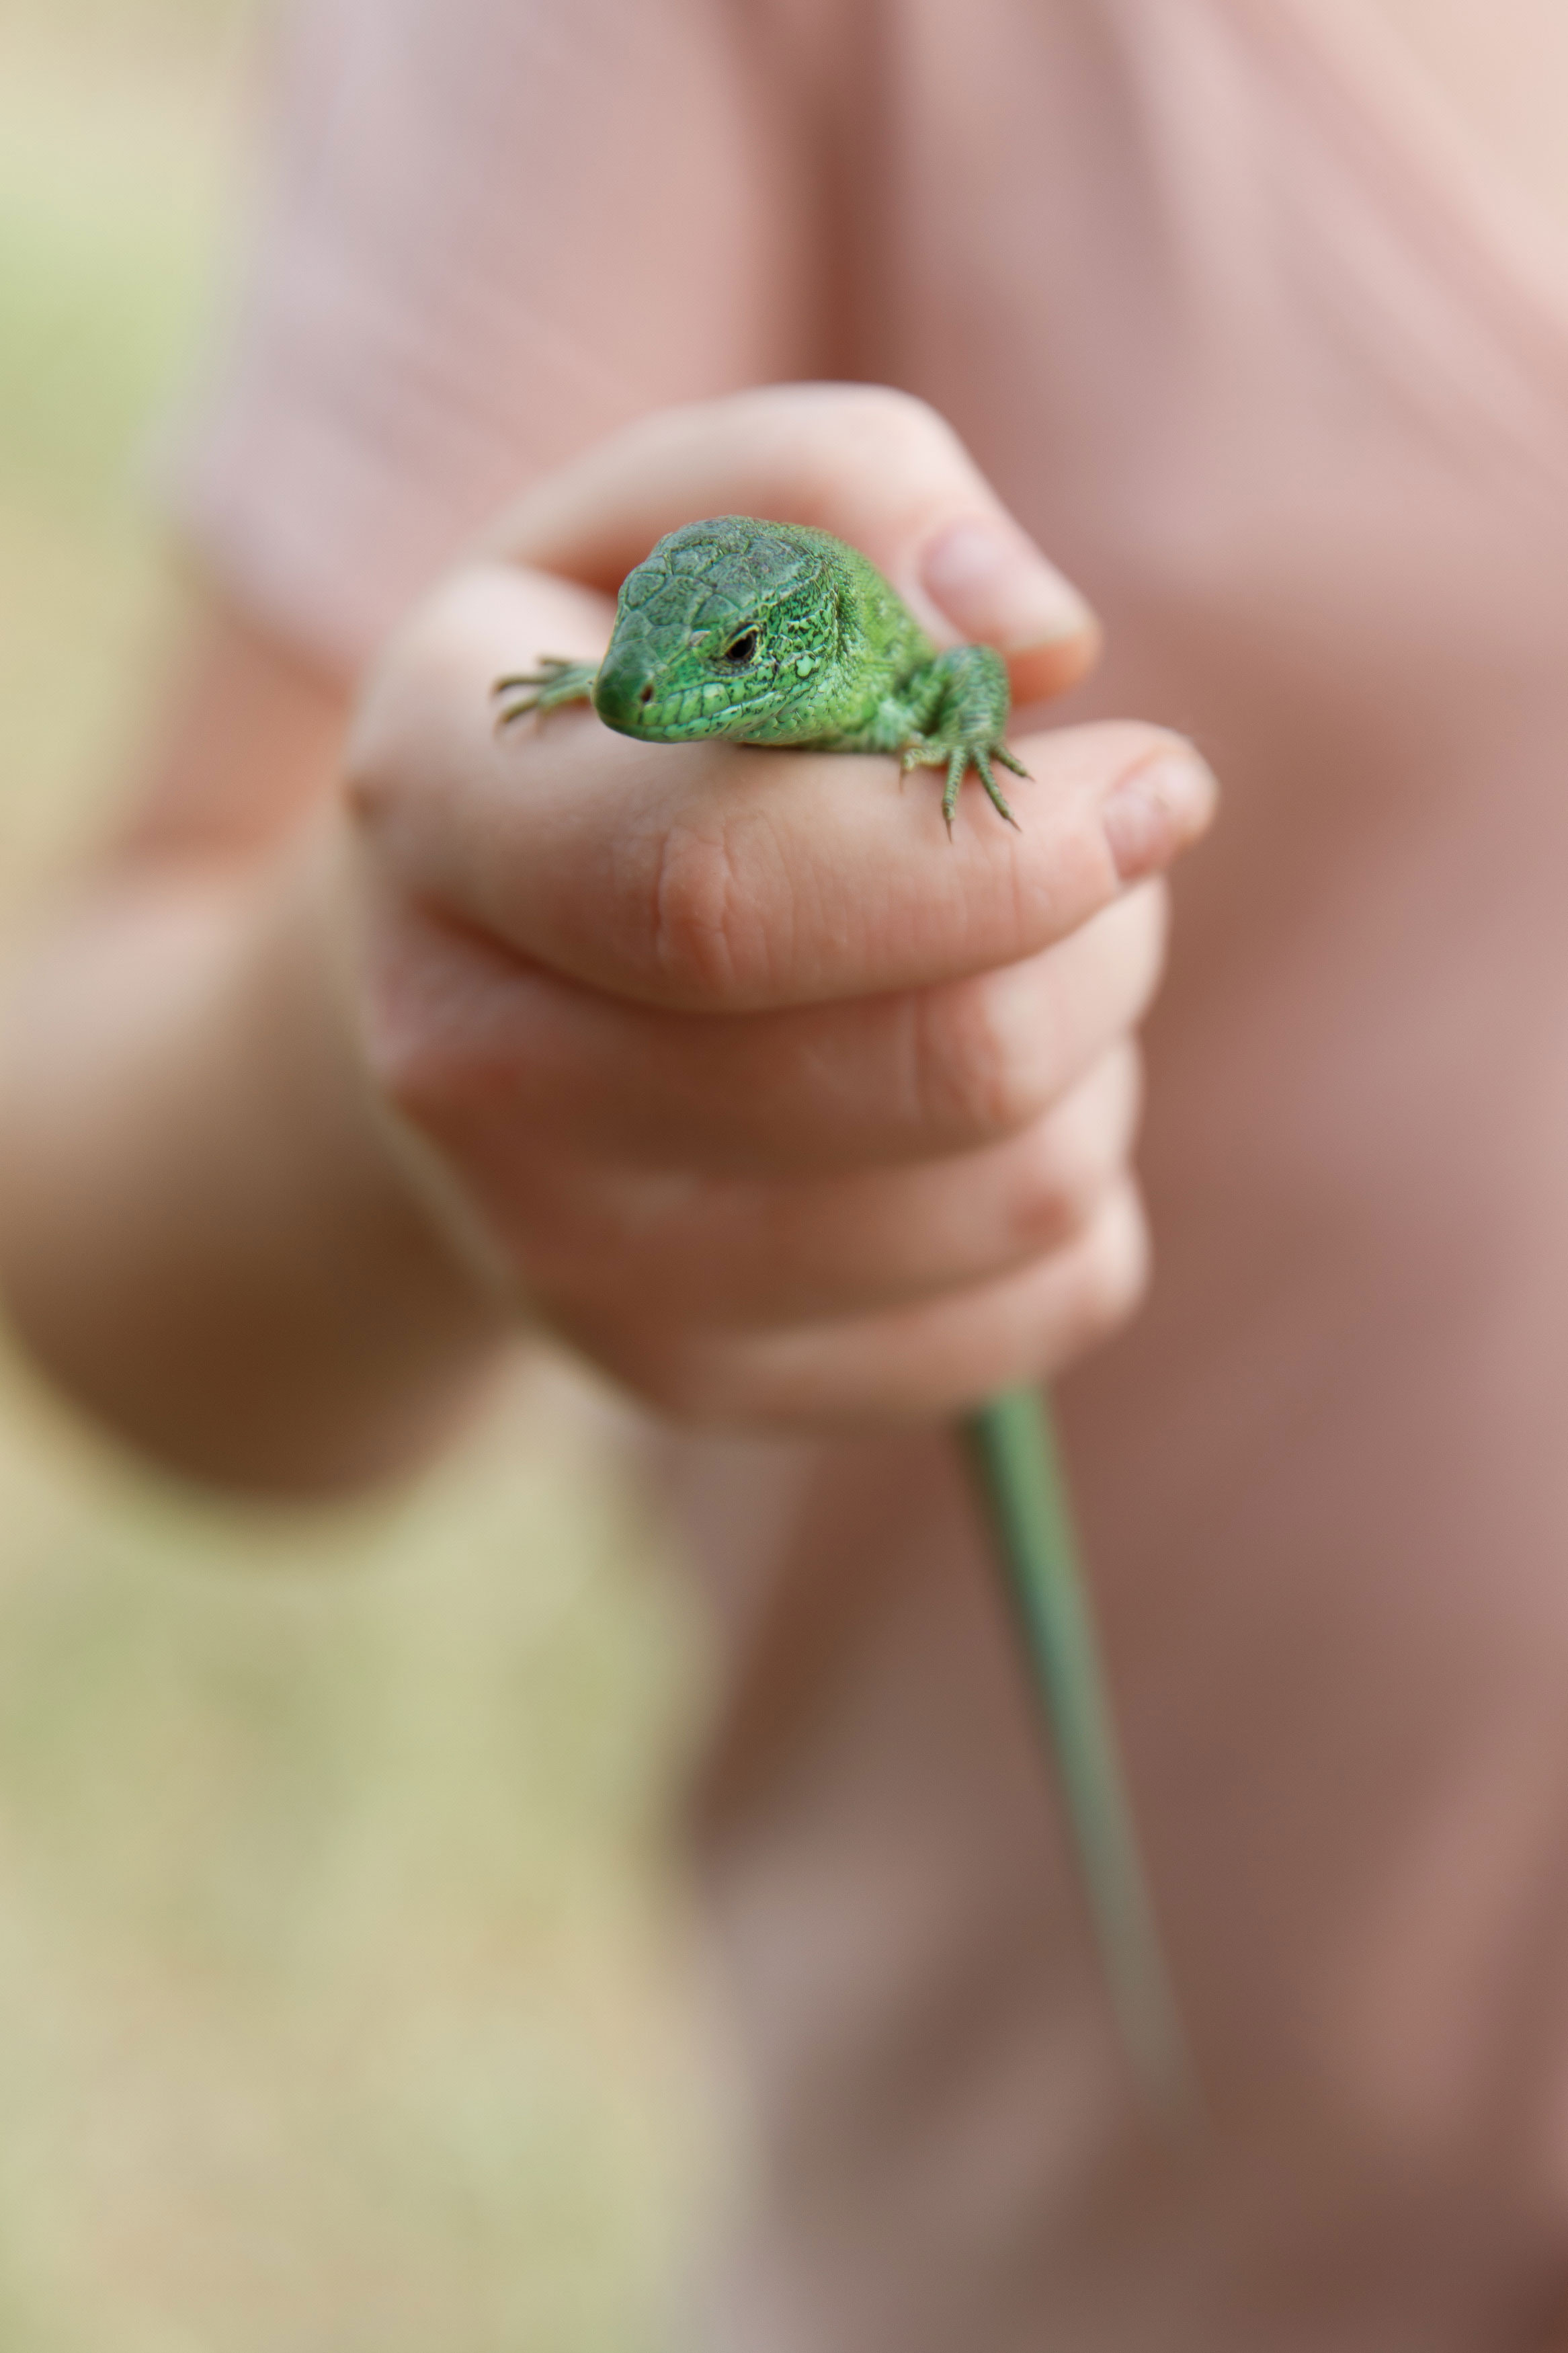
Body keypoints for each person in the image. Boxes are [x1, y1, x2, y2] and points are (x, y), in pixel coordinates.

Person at [3, 0, 1568, 2343]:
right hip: (1085, 2244)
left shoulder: (863, 665)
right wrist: (387, 1003)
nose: (665, 695)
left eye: (709, 658)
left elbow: (949, 691)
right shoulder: (768, 618)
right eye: (660, 663)